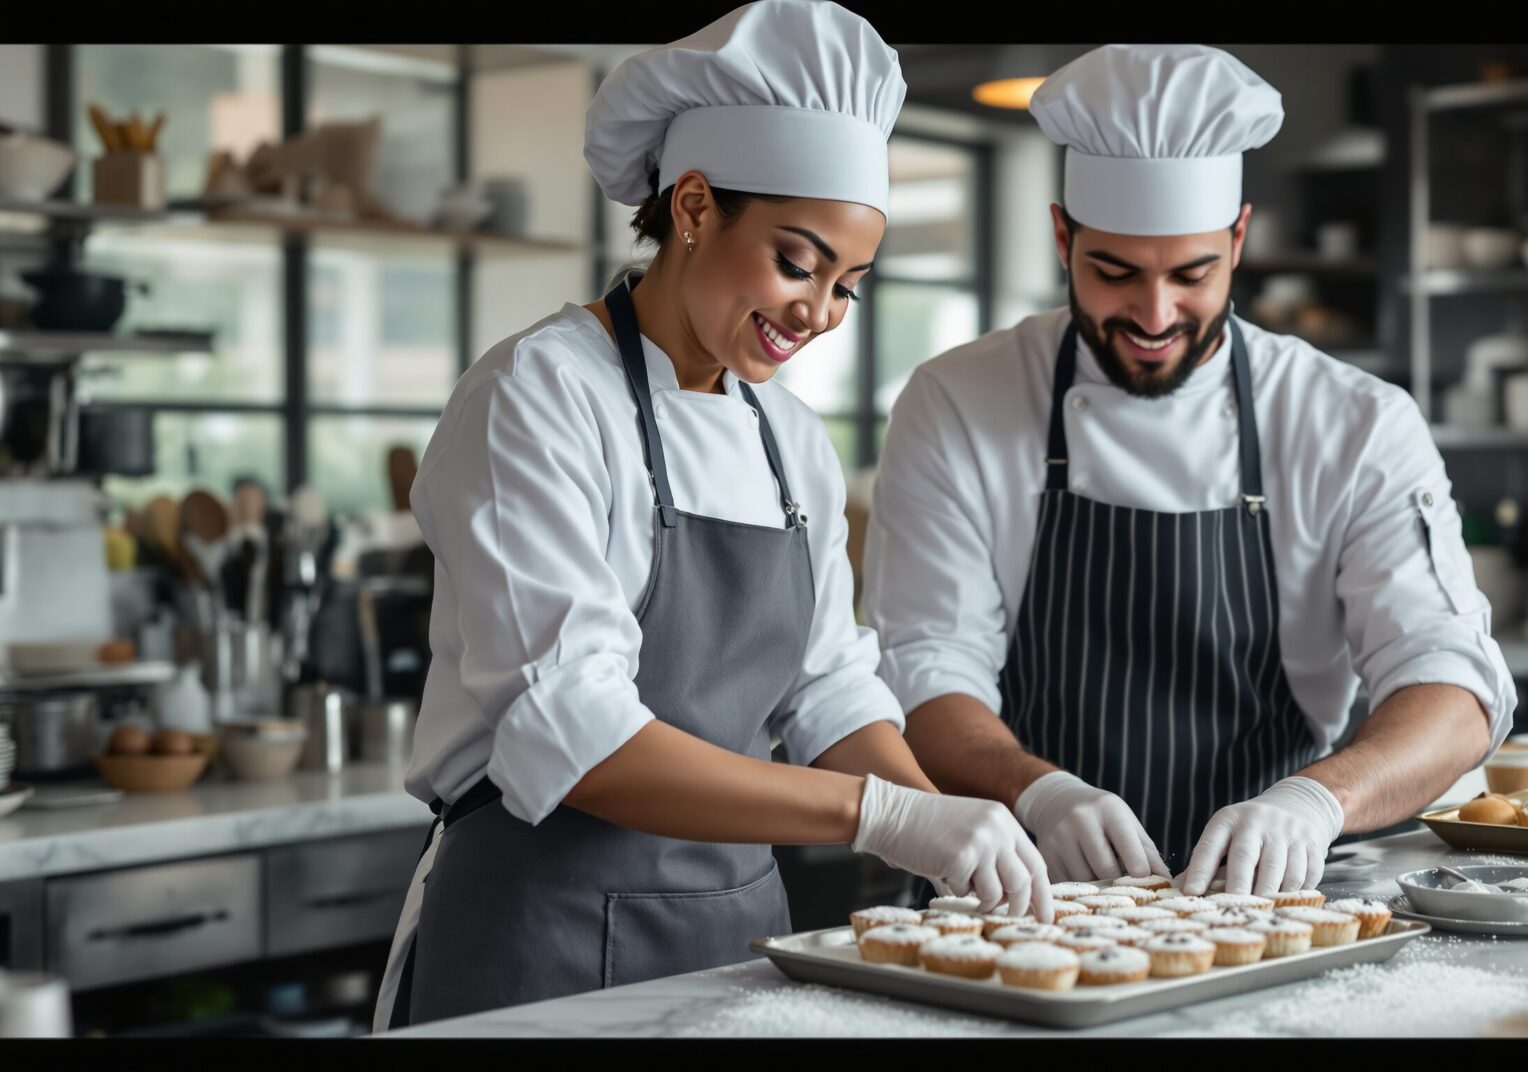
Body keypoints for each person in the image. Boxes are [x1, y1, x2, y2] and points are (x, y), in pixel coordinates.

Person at [371, 1, 1049, 1031]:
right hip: (535, 941)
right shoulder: (539, 393)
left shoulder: (788, 434)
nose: (818, 313)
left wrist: (950, 825)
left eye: (849, 286)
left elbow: (827, 686)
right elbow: (579, 735)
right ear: (692, 206)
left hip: (735, 942)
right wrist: (884, 814)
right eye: (797, 261)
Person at [863, 44, 1516, 899]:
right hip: (1006, 896)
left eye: (1192, 273)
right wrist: (1038, 788)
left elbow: (1452, 681)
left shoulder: (1351, 421)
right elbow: (924, 669)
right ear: (1064, 236)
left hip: (1263, 905)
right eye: (1114, 272)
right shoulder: (958, 400)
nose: (1154, 313)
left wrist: (1316, 800)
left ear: (1239, 238)